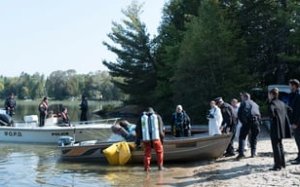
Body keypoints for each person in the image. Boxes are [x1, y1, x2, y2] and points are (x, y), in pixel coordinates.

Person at [268, 88, 292, 171]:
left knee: (276, 146)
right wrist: (283, 117)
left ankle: (277, 165)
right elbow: (290, 110)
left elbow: (271, 113)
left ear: (272, 94)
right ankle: (282, 163)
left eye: (269, 94)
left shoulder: (272, 103)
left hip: (275, 127)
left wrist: (274, 117)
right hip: (282, 127)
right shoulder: (282, 103)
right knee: (280, 145)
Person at [136, 107, 164, 172]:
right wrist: (162, 140)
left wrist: (138, 141)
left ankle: (146, 168)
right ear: (153, 111)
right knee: (159, 152)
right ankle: (160, 167)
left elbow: (138, 130)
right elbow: (161, 131)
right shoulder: (157, 116)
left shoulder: (142, 117)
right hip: (156, 139)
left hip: (146, 139)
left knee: (147, 154)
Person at [236, 92, 261, 159]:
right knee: (254, 137)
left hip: (247, 122)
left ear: (245, 97)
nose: (241, 98)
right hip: (255, 122)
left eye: (242, 97)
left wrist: (243, 122)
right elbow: (259, 114)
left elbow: (239, 114)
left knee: (242, 137)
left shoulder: (243, 103)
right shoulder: (255, 104)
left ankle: (241, 154)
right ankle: (253, 153)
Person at [288, 79, 300, 165]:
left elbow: (299, 111)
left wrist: (296, 123)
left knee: (299, 140)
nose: (289, 87)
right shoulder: (294, 95)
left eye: (290, 85)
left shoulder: (298, 95)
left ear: (294, 86)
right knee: (297, 140)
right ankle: (299, 156)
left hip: (298, 123)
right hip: (295, 122)